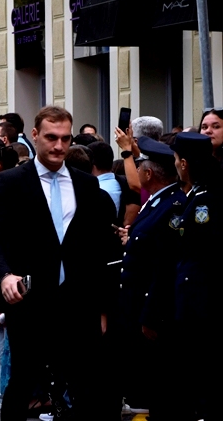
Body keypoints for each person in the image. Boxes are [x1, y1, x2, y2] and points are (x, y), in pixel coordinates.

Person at [0, 106, 117, 420]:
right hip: (29, 300)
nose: (58, 146)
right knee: (23, 382)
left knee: (87, 385)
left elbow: (99, 249)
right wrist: (3, 275)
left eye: (65, 139)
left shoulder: (86, 185)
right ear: (35, 136)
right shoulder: (12, 182)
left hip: (77, 302)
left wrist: (103, 306)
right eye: (51, 138)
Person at [110, 135, 186, 418]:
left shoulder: (172, 206)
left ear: (149, 172)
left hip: (149, 308)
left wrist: (151, 316)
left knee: (159, 386)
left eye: (139, 165)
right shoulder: (157, 203)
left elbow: (164, 267)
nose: (137, 171)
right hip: (134, 305)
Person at [167, 132, 219, 421]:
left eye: (176, 159)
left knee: (202, 368)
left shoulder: (204, 200)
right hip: (192, 294)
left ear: (184, 163)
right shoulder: (195, 194)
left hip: (200, 298)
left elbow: (196, 246)